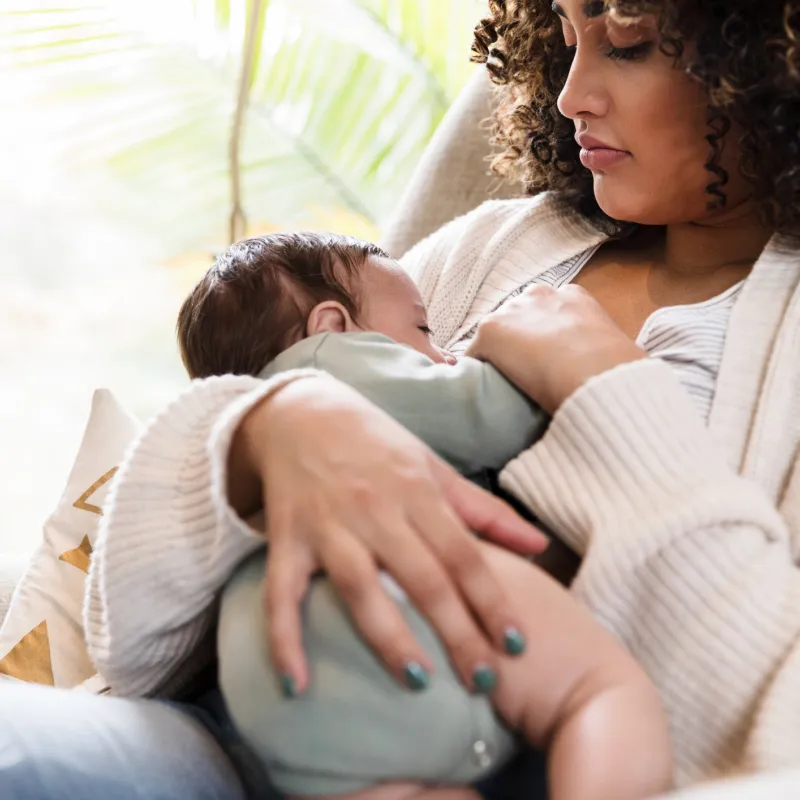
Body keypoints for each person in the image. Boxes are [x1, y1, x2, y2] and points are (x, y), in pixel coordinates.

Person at [2, 0, 800, 797]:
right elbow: (131, 641)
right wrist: (264, 432)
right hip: (234, 737)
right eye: (565, 37)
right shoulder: (498, 245)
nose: (572, 94)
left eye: (628, 45)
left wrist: (607, 392)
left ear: (764, 64)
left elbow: (773, 737)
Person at [174, 229, 672, 800]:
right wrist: (538, 349)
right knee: (600, 689)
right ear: (332, 326)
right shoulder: (328, 367)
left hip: (274, 679)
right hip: (394, 603)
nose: (445, 354)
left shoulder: (234, 430)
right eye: (423, 330)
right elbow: (491, 414)